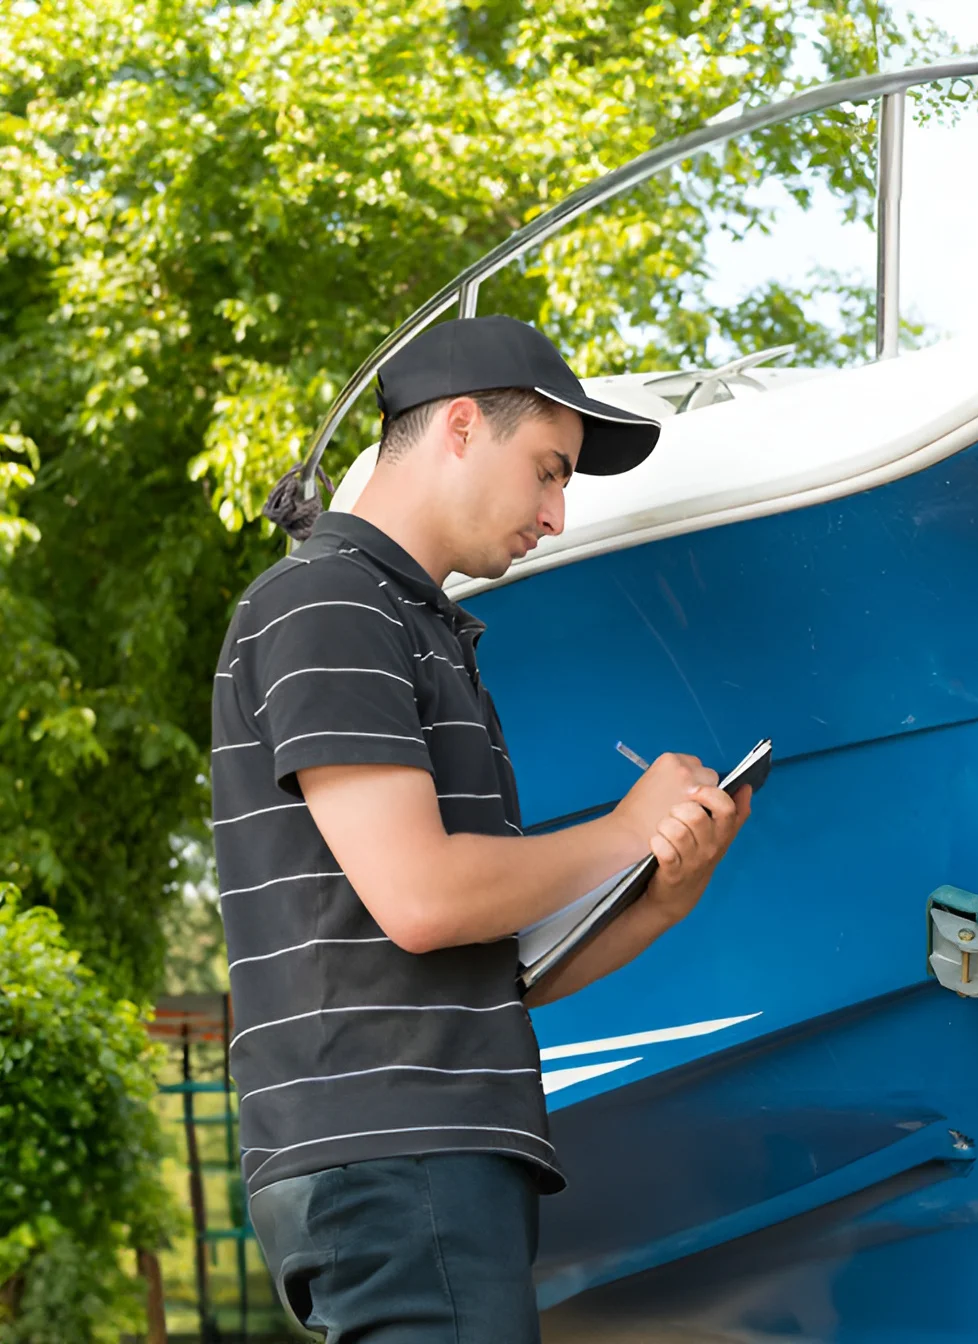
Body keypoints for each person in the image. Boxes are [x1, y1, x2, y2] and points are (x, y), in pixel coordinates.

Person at [210, 316, 753, 1342]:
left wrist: (663, 895)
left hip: (412, 1155)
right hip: (396, 1153)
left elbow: (492, 966)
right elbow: (423, 899)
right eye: (549, 472)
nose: (555, 515)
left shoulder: (411, 630)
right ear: (461, 426)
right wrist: (624, 830)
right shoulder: (328, 603)